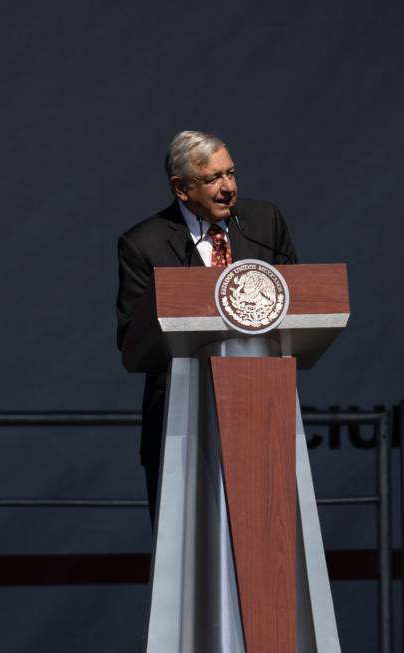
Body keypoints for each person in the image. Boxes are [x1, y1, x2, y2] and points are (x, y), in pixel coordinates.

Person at [115, 130, 299, 523]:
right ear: (180, 188)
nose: (228, 188)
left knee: (267, 542)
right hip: (180, 422)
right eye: (213, 179)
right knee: (185, 557)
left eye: (230, 174)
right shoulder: (142, 244)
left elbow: (297, 303)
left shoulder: (264, 224)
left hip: (262, 410)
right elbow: (132, 344)